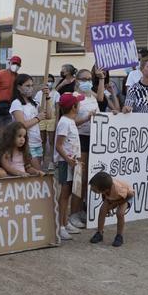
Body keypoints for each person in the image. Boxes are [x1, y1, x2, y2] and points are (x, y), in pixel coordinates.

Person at [69, 69, 103, 228]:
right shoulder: (74, 98)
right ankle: (73, 213)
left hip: (94, 138)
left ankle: (82, 208)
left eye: (90, 79)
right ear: (77, 80)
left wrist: (101, 79)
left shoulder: (92, 95)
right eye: (84, 79)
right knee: (79, 177)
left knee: (88, 178)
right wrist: (86, 119)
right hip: (79, 139)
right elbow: (71, 122)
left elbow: (101, 98)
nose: (88, 81)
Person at [55, 92, 84, 240]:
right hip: (66, 163)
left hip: (72, 162)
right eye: (78, 103)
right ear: (74, 106)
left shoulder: (69, 121)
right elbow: (59, 145)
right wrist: (68, 160)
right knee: (65, 194)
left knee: (70, 192)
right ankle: (60, 226)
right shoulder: (64, 122)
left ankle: (65, 222)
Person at [9, 73, 47, 171]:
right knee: (37, 172)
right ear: (18, 87)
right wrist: (38, 118)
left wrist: (47, 98)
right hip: (27, 143)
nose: (30, 88)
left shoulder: (33, 102)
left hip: (37, 142)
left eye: (32, 85)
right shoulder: (16, 103)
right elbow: (22, 125)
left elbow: (48, 115)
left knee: (39, 172)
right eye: (27, 86)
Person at [88, 171, 135, 247]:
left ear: (105, 189)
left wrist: (114, 204)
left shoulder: (118, 189)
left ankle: (119, 236)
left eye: (94, 189)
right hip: (113, 197)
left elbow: (131, 195)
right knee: (102, 210)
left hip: (125, 197)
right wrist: (108, 207)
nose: (92, 189)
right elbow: (104, 195)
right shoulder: (105, 187)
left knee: (120, 213)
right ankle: (99, 233)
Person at [0, 55, 21, 130]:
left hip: (9, 107)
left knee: (7, 129)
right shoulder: (0, 74)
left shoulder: (18, 77)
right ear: (9, 63)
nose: (15, 66)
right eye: (14, 63)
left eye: (17, 64)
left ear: (20, 66)